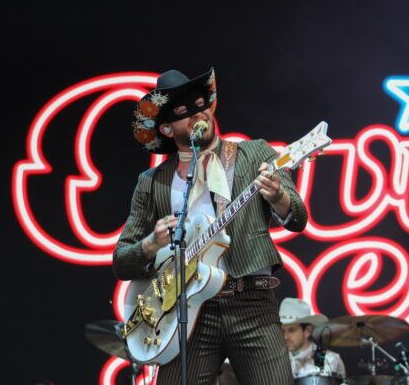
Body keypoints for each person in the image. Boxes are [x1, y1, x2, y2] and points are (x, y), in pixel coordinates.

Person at [112, 67, 309, 385]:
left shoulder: (255, 154)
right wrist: (152, 243)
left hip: (251, 304)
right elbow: (122, 262)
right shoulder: (152, 183)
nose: (196, 113)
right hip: (187, 313)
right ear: (165, 127)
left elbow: (298, 218)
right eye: (182, 111)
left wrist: (279, 197)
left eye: (201, 104)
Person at [279, 298, 347, 380]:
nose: (286, 337)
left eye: (292, 330)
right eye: (283, 331)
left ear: (307, 331)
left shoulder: (329, 360)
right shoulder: (275, 361)